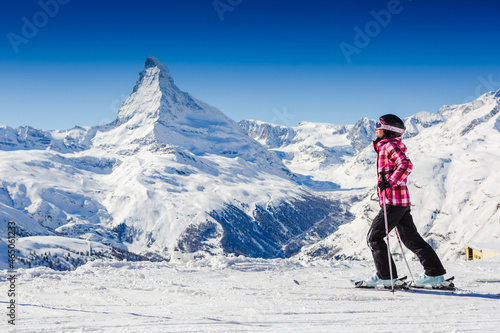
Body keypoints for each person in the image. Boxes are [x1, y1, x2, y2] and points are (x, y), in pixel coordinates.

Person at [362, 114, 447, 288]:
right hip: (400, 201)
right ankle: (435, 274)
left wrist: (390, 181)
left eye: (379, 124)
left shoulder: (389, 146)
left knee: (374, 238)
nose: (376, 127)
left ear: (388, 129)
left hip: (393, 201)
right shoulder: (387, 146)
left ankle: (387, 277)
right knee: (411, 239)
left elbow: (406, 165)